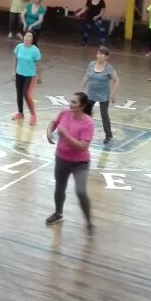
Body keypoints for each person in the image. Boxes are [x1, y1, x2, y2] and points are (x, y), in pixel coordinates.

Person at [44, 92, 95, 232]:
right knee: (59, 188)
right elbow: (54, 122)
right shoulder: (65, 113)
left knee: (81, 192)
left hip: (80, 163)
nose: (70, 104)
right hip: (61, 158)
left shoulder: (88, 123)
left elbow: (83, 147)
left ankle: (88, 221)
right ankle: (58, 213)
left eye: (74, 102)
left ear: (82, 106)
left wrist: (65, 136)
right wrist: (49, 132)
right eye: (70, 101)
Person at [81, 46, 119, 145]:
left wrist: (113, 94)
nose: (99, 56)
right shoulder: (91, 64)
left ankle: (109, 136)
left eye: (101, 54)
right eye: (98, 53)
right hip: (91, 93)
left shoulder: (109, 68)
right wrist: (81, 88)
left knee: (104, 115)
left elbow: (116, 80)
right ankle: (83, 132)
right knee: (86, 113)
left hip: (103, 95)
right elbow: (87, 76)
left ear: (106, 57)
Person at [12, 30, 42, 125]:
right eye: (26, 36)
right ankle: (20, 113)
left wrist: (39, 77)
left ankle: (33, 115)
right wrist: (13, 71)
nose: (26, 37)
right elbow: (15, 59)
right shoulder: (19, 47)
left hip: (29, 76)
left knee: (26, 94)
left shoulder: (35, 50)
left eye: (29, 36)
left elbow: (39, 65)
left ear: (32, 40)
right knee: (19, 94)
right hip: (19, 74)